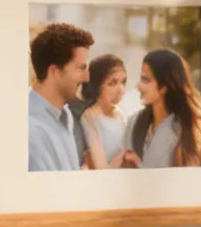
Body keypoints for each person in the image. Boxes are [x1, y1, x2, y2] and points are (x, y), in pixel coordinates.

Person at [28, 23, 93, 172]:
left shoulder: (65, 114)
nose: (87, 77)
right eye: (81, 68)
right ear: (55, 71)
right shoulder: (31, 130)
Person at [129, 48, 201, 169]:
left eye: (145, 80)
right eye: (140, 78)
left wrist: (138, 164)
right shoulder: (134, 123)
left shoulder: (184, 130)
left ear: (164, 87)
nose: (138, 86)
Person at [80, 54, 140, 169]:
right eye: (112, 83)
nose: (121, 90)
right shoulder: (89, 117)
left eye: (123, 82)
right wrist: (125, 154)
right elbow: (101, 169)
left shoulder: (121, 115)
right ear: (97, 87)